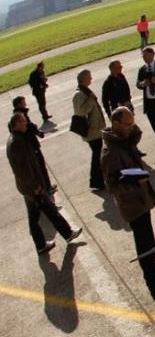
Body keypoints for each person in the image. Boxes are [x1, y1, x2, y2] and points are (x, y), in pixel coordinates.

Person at [101, 107, 155, 298]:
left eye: (131, 123)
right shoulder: (110, 152)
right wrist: (135, 181)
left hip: (141, 200)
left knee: (149, 243)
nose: (130, 127)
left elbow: (135, 135)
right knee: (145, 247)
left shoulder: (123, 140)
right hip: (132, 205)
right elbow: (112, 186)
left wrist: (130, 126)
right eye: (127, 124)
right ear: (115, 124)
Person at [7, 113, 82, 256]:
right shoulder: (17, 143)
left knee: (37, 217)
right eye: (23, 121)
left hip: (27, 187)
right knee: (49, 212)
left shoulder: (16, 139)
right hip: (31, 187)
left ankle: (45, 244)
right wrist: (35, 186)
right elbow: (24, 169)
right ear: (16, 123)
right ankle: (67, 234)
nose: (26, 124)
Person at [12, 96, 56, 195]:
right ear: (19, 103)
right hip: (32, 146)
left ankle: (47, 187)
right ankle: (47, 188)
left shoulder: (19, 114)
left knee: (40, 167)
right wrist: (37, 130)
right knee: (40, 168)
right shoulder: (20, 115)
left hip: (32, 146)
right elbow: (29, 126)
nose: (25, 102)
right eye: (23, 101)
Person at [72, 69, 106, 190]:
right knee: (96, 156)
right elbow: (80, 112)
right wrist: (91, 100)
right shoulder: (79, 94)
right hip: (91, 131)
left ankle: (98, 179)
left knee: (97, 155)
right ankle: (96, 180)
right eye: (89, 77)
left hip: (96, 129)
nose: (91, 79)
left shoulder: (85, 91)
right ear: (84, 79)